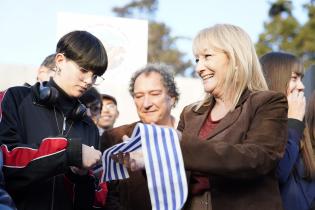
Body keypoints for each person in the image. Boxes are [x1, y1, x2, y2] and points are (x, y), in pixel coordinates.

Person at [120, 24, 288, 210]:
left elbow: (257, 159)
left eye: (207, 56)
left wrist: (179, 143)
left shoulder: (268, 103)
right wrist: (149, 161)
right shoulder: (191, 113)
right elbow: (176, 175)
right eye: (197, 59)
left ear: (236, 58)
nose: (199, 67)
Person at [0, 30, 108, 210]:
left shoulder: (89, 127)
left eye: (95, 76)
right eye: (83, 70)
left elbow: (90, 203)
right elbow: (6, 162)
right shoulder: (14, 99)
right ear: (60, 61)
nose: (89, 80)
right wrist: (68, 152)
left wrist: (79, 177)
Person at [101, 63, 179, 210]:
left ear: (172, 98)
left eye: (155, 94)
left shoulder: (191, 136)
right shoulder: (115, 138)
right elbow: (109, 197)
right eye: (139, 96)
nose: (146, 103)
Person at [261, 52, 315, 210]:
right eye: (294, 78)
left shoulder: (301, 125)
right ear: (275, 78)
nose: (302, 86)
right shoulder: (261, 123)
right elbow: (279, 172)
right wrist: (293, 123)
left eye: (301, 78)